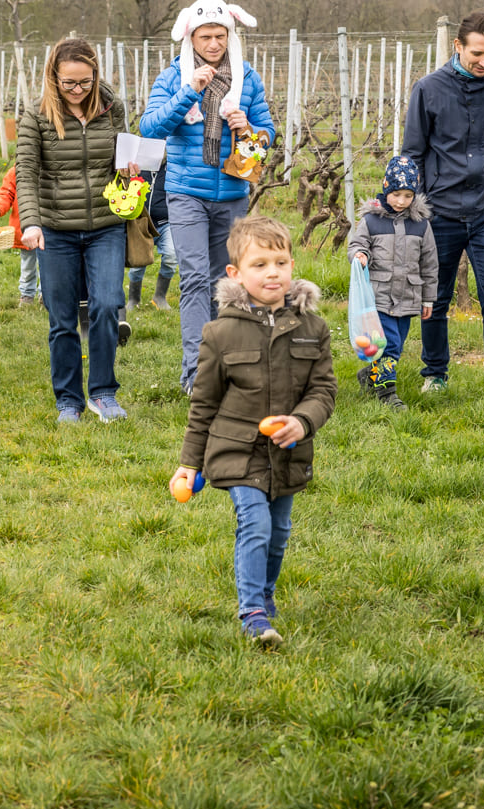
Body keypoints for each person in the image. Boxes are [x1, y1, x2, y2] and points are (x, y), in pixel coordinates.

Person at [170, 215, 335, 647]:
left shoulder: (313, 329)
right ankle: (253, 614)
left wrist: (302, 421)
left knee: (279, 534)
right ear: (236, 273)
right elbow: (204, 404)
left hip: (288, 453)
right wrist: (189, 463)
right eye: (259, 264)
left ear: (293, 265)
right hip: (236, 452)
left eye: (280, 262)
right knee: (256, 524)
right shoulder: (220, 332)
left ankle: (265, 594)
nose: (272, 273)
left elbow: (323, 391)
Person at [140, 0, 275, 394]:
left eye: (220, 36)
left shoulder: (247, 78)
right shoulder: (173, 77)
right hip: (186, 193)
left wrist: (249, 128)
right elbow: (150, 128)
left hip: (233, 193)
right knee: (196, 278)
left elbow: (267, 132)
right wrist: (189, 92)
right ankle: (195, 373)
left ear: (230, 35)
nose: (213, 44)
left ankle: (225, 367)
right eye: (205, 37)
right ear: (191, 37)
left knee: (227, 282)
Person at [402, 10, 484, 405]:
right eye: (477, 53)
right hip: (438, 210)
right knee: (435, 296)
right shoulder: (428, 89)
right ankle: (434, 374)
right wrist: (418, 205)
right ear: (458, 46)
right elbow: (413, 153)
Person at [15, 38, 131, 423]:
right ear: (54, 77)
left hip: (106, 225)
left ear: (96, 76)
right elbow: (25, 173)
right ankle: (68, 400)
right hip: (56, 229)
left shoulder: (113, 109)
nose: (77, 90)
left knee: (107, 306)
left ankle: (103, 393)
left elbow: (122, 158)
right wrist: (31, 221)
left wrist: (129, 169)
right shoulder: (36, 116)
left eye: (85, 82)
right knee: (62, 317)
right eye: (69, 83)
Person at [347, 155, 438, 409]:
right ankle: (387, 395)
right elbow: (357, 244)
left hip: (408, 296)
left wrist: (428, 298)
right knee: (390, 344)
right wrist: (360, 254)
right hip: (379, 295)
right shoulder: (371, 221)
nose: (401, 201)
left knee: (396, 346)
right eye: (396, 194)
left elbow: (430, 264)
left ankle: (370, 375)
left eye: (408, 196)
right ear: (386, 187)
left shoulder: (421, 225)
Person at [126, 161, 176, 312]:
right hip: (143, 223)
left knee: (171, 256)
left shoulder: (171, 168)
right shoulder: (139, 166)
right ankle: (133, 299)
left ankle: (159, 297)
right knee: (138, 264)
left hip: (166, 223)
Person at [0, 163, 40, 308]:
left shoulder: (50, 168)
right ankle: (27, 294)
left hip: (47, 227)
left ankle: (45, 294)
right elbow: (6, 193)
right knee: (28, 265)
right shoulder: (15, 172)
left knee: (48, 266)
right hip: (24, 228)